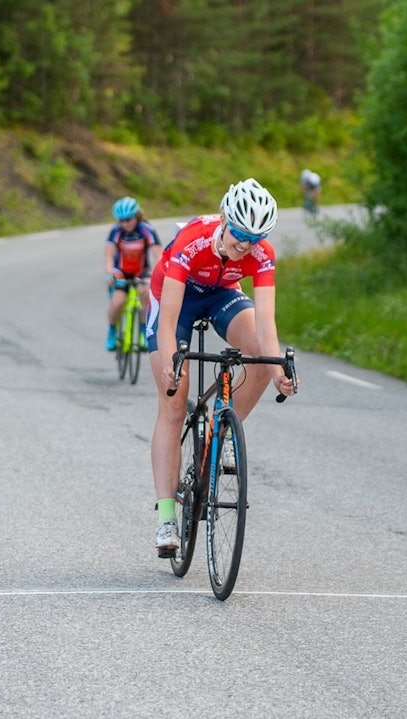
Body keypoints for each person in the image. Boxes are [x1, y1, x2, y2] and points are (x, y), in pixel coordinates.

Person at [146, 178, 296, 556]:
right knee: (174, 402)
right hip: (174, 298)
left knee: (261, 359)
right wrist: (172, 363)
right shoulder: (192, 241)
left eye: (255, 237)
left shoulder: (261, 254)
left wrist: (278, 369)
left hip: (222, 295)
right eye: (240, 234)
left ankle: (223, 429)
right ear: (226, 220)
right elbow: (168, 322)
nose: (245, 244)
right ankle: (166, 517)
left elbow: (266, 323)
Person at [104, 196, 162, 351]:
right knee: (117, 301)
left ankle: (144, 330)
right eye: (121, 220)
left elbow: (159, 255)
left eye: (128, 220)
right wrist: (109, 272)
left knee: (145, 294)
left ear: (136, 216)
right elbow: (109, 255)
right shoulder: (116, 231)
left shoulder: (146, 230)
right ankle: (112, 330)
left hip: (141, 271)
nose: (125, 224)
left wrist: (158, 275)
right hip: (121, 272)